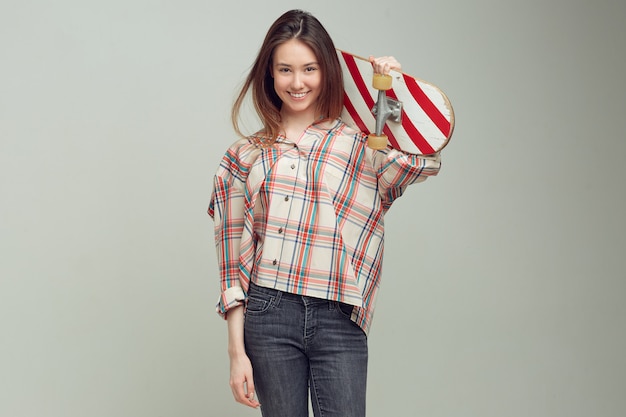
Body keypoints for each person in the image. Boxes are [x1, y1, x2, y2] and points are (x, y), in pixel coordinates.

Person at [208, 9, 441, 417]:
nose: (297, 82)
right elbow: (230, 263)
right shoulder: (244, 156)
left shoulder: (358, 144)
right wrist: (235, 352)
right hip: (268, 314)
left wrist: (394, 90)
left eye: (309, 68)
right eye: (285, 69)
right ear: (270, 74)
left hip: (339, 316)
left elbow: (422, 163)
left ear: (326, 71)